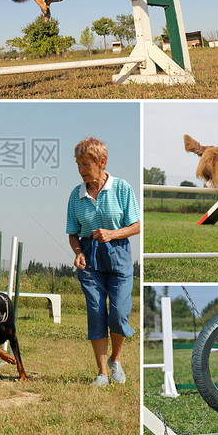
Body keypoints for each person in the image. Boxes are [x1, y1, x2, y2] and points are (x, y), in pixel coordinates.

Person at [65, 137, 140, 387]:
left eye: (86, 164)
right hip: (90, 256)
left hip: (118, 253)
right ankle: (102, 374)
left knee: (118, 313)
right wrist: (78, 252)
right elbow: (73, 232)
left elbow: (137, 225)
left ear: (102, 162)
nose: (82, 170)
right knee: (96, 312)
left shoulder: (122, 188)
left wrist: (112, 233)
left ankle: (115, 360)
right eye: (78, 164)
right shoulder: (76, 196)